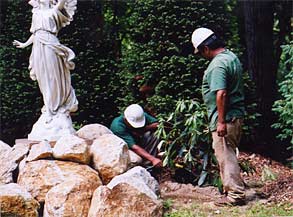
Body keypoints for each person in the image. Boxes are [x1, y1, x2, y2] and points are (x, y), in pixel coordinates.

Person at [191, 27, 246, 206]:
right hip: (235, 116)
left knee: (225, 155)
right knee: (229, 153)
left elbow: (221, 93)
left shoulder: (218, 64)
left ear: (206, 48)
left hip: (226, 119)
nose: (202, 56)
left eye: (201, 52)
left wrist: (220, 122)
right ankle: (233, 190)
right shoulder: (231, 57)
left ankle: (235, 196)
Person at [13, 0, 78, 141]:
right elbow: (36, 33)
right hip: (38, 46)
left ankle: (56, 108)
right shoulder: (36, 14)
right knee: (43, 78)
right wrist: (24, 44)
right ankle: (49, 108)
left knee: (53, 76)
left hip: (50, 45)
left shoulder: (54, 11)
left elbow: (61, 3)